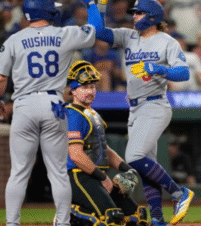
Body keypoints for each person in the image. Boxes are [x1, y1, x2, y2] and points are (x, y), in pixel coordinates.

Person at [0, 0, 105, 226]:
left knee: (19, 172)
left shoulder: (14, 39)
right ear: (50, 11)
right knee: (58, 173)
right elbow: (97, 28)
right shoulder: (65, 34)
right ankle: (62, 223)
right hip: (53, 104)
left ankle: (12, 223)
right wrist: (92, 3)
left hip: (24, 105)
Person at [94, 0, 195, 225]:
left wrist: (159, 69)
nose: (134, 16)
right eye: (134, 12)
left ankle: (180, 193)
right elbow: (99, 31)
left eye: (139, 13)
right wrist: (100, 3)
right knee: (146, 167)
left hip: (155, 105)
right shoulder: (129, 36)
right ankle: (158, 219)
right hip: (136, 108)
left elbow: (184, 72)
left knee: (134, 156)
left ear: (152, 17)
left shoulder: (166, 41)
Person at [60, 60, 149, 226]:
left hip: (96, 175)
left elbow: (104, 149)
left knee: (137, 217)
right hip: (78, 177)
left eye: (92, 86)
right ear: (73, 90)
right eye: (84, 87)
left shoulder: (92, 114)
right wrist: (103, 178)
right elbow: (76, 155)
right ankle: (70, 214)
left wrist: (127, 169)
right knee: (111, 217)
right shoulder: (73, 115)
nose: (90, 91)